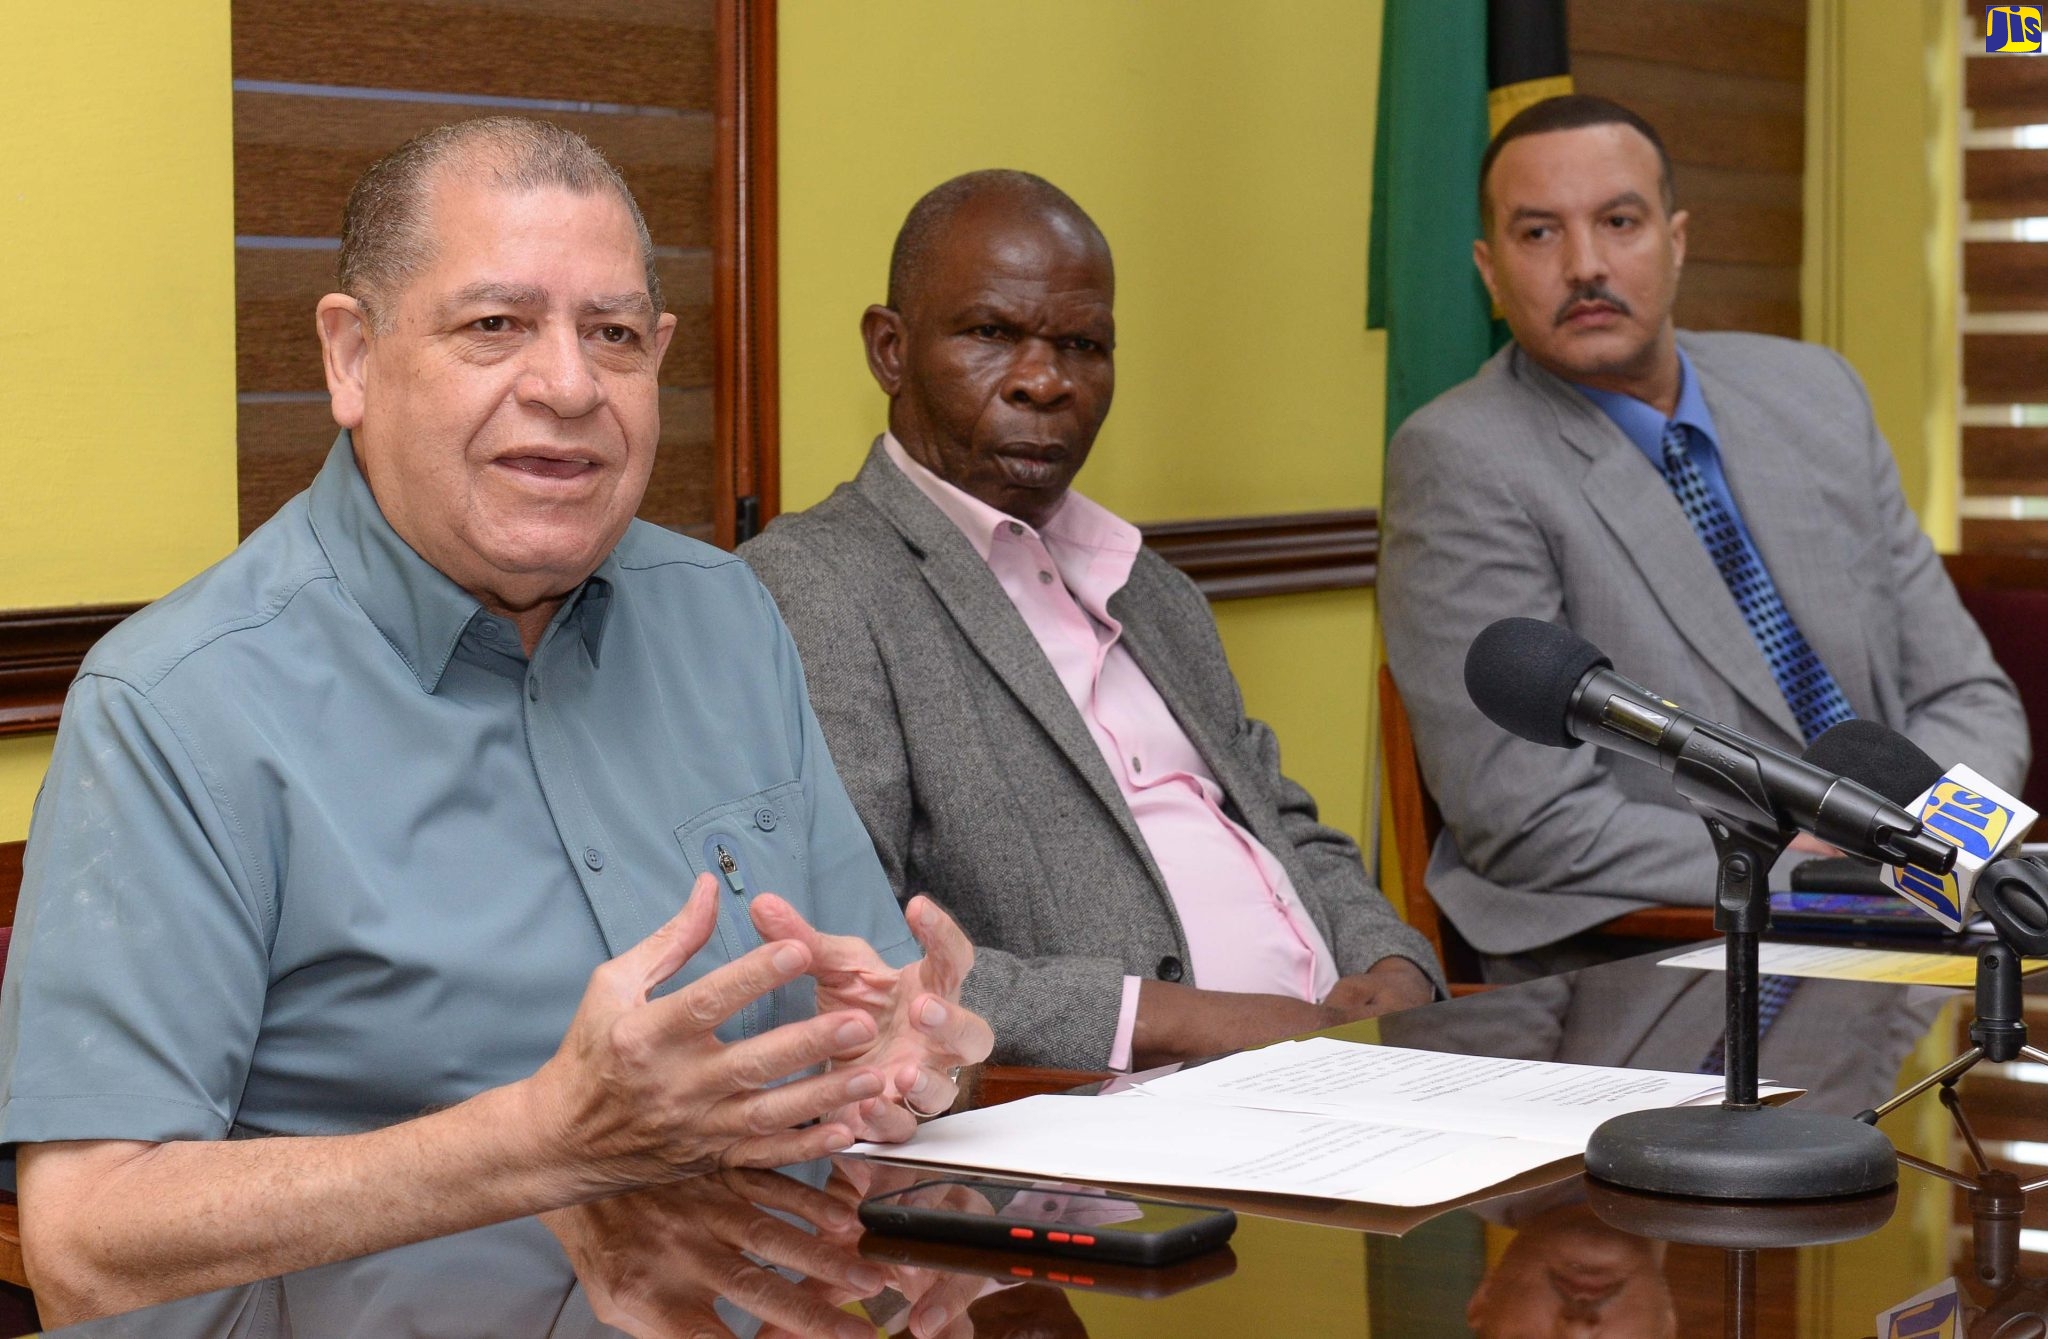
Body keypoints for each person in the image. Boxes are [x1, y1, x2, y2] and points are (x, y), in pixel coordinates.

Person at [0, 117, 991, 1322]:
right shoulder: (175, 706)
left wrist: (897, 1051)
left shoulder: (726, 614)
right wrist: (537, 1141)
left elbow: (869, 1005)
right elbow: (85, 1239)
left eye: (613, 336)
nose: (568, 386)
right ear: (351, 357)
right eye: (494, 326)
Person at [739, 170, 1442, 1073]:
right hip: (1107, 1135)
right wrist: (1177, 1020)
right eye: (992, 334)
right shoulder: (818, 584)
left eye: (1082, 344)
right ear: (889, 350)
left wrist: (1392, 962)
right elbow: (850, 947)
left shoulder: (1151, 586)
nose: (1044, 380)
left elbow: (1284, 823)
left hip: (1353, 1072)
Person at [1379, 95, 2027, 979]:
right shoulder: (1461, 458)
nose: (1585, 265)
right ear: (1489, 274)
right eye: (1539, 235)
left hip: (1921, 927)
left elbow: (1970, 694)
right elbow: (1530, 825)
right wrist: (1840, 872)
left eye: (1619, 221)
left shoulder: (1814, 391)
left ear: (1676, 240)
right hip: (1665, 961)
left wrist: (1927, 858)